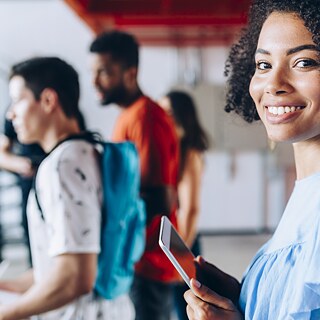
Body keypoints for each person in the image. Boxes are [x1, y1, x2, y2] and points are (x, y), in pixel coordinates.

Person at [184, 0, 320, 319]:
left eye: (304, 62)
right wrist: (246, 295)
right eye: (263, 65)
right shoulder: (307, 191)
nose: (273, 84)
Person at [0, 57, 134, 319]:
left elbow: (75, 278)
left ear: (48, 100)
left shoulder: (62, 165)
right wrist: (12, 287)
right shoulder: (92, 151)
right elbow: (66, 263)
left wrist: (6, 313)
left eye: (17, 100)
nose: (10, 113)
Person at [89, 30, 180, 320]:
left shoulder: (146, 118)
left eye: (105, 72)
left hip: (148, 260)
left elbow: (160, 198)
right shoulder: (129, 115)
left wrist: (111, 231)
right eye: (94, 72)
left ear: (130, 73)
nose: (95, 81)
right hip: (136, 258)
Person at [158, 91, 209, 320]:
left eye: (168, 112)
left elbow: (191, 209)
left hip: (184, 242)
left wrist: (180, 257)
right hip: (176, 240)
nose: (162, 118)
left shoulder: (190, 153)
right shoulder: (174, 149)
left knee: (187, 310)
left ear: (182, 116)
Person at [0, 117, 45, 265]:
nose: (11, 114)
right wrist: (21, 165)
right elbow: (2, 155)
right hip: (29, 190)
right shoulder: (12, 117)